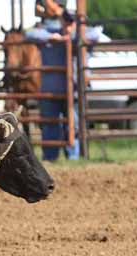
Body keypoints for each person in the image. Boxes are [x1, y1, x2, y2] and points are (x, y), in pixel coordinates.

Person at [26, 5, 101, 161]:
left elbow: (96, 34)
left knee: (74, 124)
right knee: (49, 124)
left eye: (72, 21)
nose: (68, 24)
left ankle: (73, 157)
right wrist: (52, 38)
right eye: (66, 20)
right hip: (51, 90)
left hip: (73, 90)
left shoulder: (83, 36)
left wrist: (72, 37)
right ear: (61, 21)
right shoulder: (51, 34)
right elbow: (29, 34)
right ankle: (50, 157)